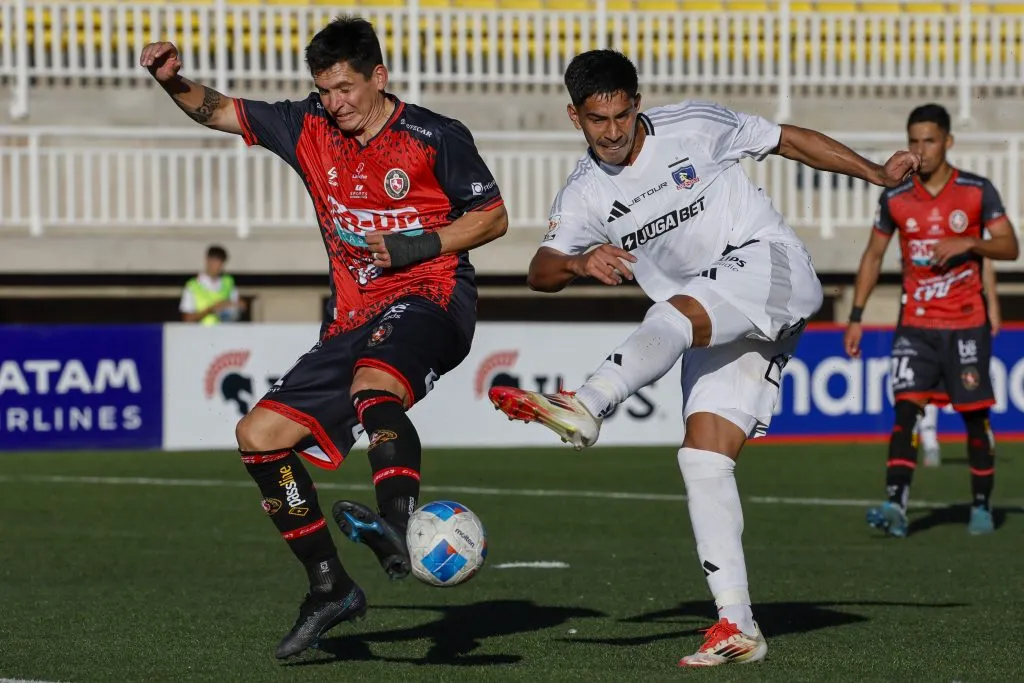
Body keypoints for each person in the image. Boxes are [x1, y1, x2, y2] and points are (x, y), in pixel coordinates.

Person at [487, 49, 918, 667]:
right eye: (595, 120)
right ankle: (738, 627)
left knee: (670, 313)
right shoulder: (583, 193)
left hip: (769, 265)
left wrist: (876, 173)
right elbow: (539, 268)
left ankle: (587, 403)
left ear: (637, 102)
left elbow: (786, 139)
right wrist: (582, 261)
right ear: (573, 116)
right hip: (718, 322)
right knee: (702, 459)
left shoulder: (694, 124)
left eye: (621, 115)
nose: (611, 132)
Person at [141, 16, 508, 659]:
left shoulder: (434, 136)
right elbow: (219, 111)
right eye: (325, 89)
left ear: (379, 78)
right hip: (351, 320)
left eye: (345, 88)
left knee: (375, 382)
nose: (335, 102)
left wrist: (416, 243)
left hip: (432, 299)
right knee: (259, 437)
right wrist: (173, 80)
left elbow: (493, 217)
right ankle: (329, 584)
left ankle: (397, 522)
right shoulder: (306, 124)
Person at [844, 103, 1018, 537]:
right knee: (906, 412)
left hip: (966, 323)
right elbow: (873, 255)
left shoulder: (977, 191)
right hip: (916, 326)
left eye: (930, 140)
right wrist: (856, 317)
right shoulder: (896, 196)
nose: (921, 150)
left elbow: (1009, 247)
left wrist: (968, 242)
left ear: (948, 142)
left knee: (975, 417)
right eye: (914, 141)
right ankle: (896, 505)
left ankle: (981, 505)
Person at [918, 257, 1002, 467]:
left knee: (972, 379)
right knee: (928, 381)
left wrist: (992, 304)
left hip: (967, 317)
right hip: (930, 315)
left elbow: (985, 261)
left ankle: (984, 436)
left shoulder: (968, 228)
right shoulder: (921, 233)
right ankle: (929, 442)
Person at [179, 244, 246, 324]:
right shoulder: (193, 286)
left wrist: (238, 305)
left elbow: (239, 304)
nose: (217, 265)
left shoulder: (228, 282)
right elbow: (187, 319)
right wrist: (212, 309)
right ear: (207, 260)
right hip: (202, 334)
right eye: (214, 261)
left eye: (220, 262)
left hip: (225, 333)